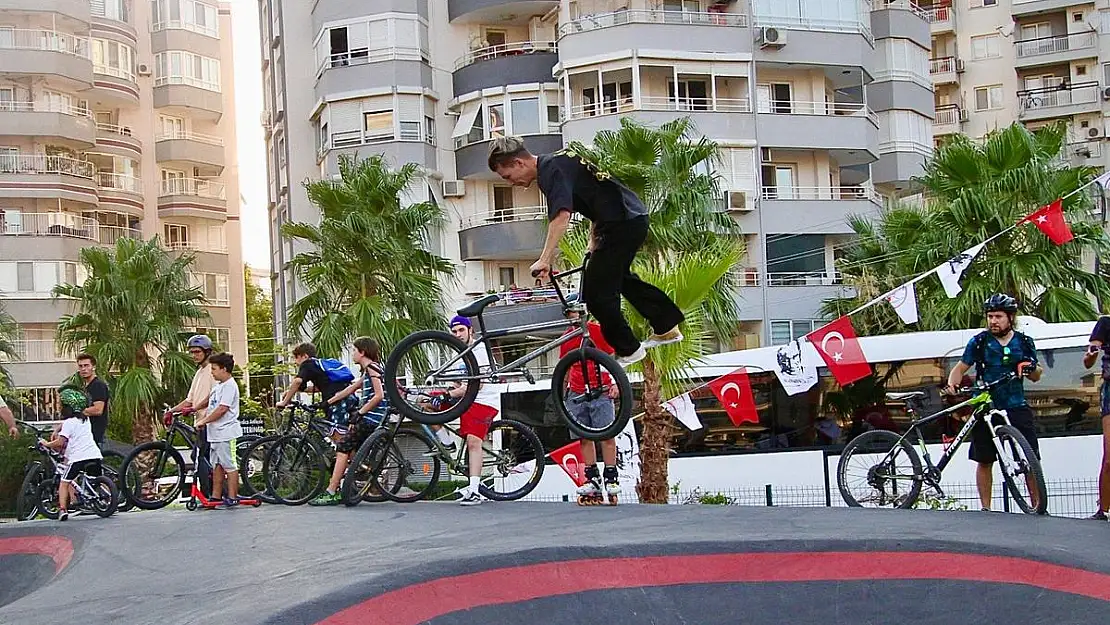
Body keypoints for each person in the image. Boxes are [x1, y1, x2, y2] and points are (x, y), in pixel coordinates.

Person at [487, 135, 685, 366]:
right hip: (628, 218)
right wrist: (594, 237)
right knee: (620, 279)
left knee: (597, 294)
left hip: (621, 222)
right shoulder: (558, 161)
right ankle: (666, 325)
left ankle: (629, 349)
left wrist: (545, 259)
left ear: (519, 163)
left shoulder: (551, 171)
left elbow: (561, 216)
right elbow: (597, 194)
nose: (511, 182)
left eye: (508, 176)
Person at [945, 294, 1042, 512]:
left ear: (1010, 318)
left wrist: (1029, 368)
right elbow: (960, 368)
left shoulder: (1024, 342)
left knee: (1029, 459)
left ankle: (1038, 506)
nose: (993, 321)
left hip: (1016, 405)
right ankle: (986, 508)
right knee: (984, 459)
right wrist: (952, 384)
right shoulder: (979, 341)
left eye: (998, 316)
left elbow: (1037, 374)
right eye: (990, 316)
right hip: (985, 406)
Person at [310, 337, 390, 506]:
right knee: (349, 448)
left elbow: (379, 395)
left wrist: (360, 413)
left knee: (342, 447)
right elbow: (349, 389)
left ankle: (331, 491)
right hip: (369, 417)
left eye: (354, 350)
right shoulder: (368, 370)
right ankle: (358, 471)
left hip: (371, 419)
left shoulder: (372, 369)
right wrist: (326, 403)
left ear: (362, 352)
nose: (352, 354)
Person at [559, 303, 621, 503]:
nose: (574, 318)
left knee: (607, 435)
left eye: (577, 314)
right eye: (571, 315)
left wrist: (617, 384)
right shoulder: (566, 337)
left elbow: (612, 359)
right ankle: (592, 477)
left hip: (600, 390)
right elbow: (565, 369)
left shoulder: (597, 331)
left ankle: (611, 476)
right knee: (584, 437)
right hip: (576, 392)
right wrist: (562, 396)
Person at [441, 315, 499, 506]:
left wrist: (450, 395)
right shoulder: (458, 354)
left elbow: (477, 385)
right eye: (454, 331)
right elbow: (458, 382)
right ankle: (447, 444)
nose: (457, 335)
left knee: (474, 441)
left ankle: (474, 490)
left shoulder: (479, 350)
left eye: (461, 330)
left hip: (483, 400)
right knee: (425, 403)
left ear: (470, 331)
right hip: (466, 399)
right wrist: (444, 392)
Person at [43, 387, 103, 521]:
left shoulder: (69, 423)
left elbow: (60, 442)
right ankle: (108, 499)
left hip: (78, 458)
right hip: (95, 455)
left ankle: (63, 509)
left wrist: (46, 444)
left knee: (64, 482)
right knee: (94, 479)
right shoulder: (85, 420)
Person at [276, 342, 357, 441]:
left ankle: (348, 457)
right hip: (349, 398)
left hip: (337, 403)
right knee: (348, 437)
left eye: (296, 358)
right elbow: (322, 387)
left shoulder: (308, 364)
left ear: (305, 356)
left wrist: (284, 402)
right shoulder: (319, 366)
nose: (295, 362)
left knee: (341, 440)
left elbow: (297, 381)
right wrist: (291, 392)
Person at [195, 352, 243, 507]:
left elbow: (222, 409)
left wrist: (204, 420)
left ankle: (233, 496)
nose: (212, 372)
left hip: (226, 433)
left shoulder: (230, 386)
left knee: (229, 465)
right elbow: (209, 400)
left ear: (224, 369)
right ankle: (215, 496)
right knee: (217, 465)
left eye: (214, 369)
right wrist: (194, 408)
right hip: (214, 433)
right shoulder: (219, 385)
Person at [1083, 315, 1110, 520]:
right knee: (1109, 456)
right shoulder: (1105, 323)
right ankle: (1104, 510)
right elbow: (1088, 359)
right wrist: (1092, 354)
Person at [76, 353, 110, 448]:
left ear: (93, 367)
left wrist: (76, 411)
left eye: (86, 365)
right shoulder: (85, 388)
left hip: (96, 435)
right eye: (80, 366)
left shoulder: (98, 385)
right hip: (85, 434)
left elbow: (98, 410)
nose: (83, 369)